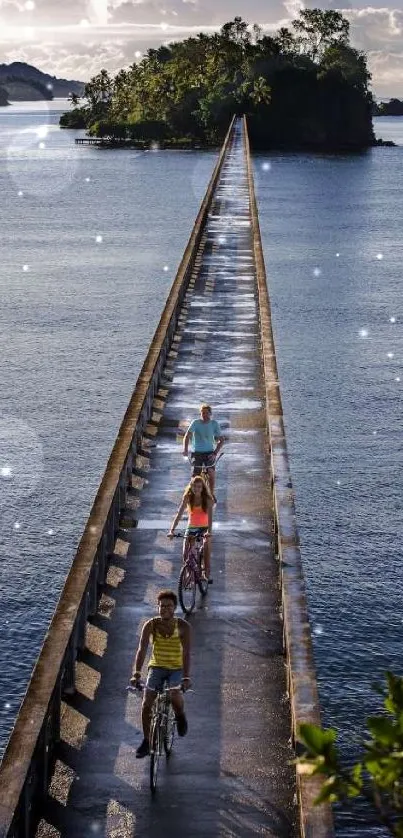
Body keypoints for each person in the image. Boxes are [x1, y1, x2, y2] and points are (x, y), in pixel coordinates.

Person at [131, 589, 191, 758]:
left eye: (169, 606)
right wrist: (136, 673)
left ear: (175, 608)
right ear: (157, 607)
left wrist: (186, 677)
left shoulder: (183, 627)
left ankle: (180, 717)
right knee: (146, 702)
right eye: (162, 606)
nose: (165, 609)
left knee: (174, 695)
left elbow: (186, 653)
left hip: (176, 668)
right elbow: (142, 649)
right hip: (156, 667)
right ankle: (146, 740)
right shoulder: (150, 625)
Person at [168, 475, 213, 581]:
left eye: (199, 487)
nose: (196, 489)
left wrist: (209, 532)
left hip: (204, 527)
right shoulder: (187, 497)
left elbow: (210, 518)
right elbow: (179, 514)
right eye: (194, 486)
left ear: (202, 488)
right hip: (192, 526)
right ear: (191, 486)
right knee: (186, 551)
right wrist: (172, 530)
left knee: (206, 545)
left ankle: (206, 572)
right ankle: (188, 572)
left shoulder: (207, 499)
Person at [182, 404, 224, 498]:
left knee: (211, 473)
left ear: (210, 414)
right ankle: (191, 495)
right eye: (202, 413)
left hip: (209, 453)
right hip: (197, 453)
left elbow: (222, 440)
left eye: (206, 413)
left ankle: (211, 494)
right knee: (195, 474)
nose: (204, 415)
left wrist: (215, 453)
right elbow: (187, 436)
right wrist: (185, 450)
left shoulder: (214, 424)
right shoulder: (195, 423)